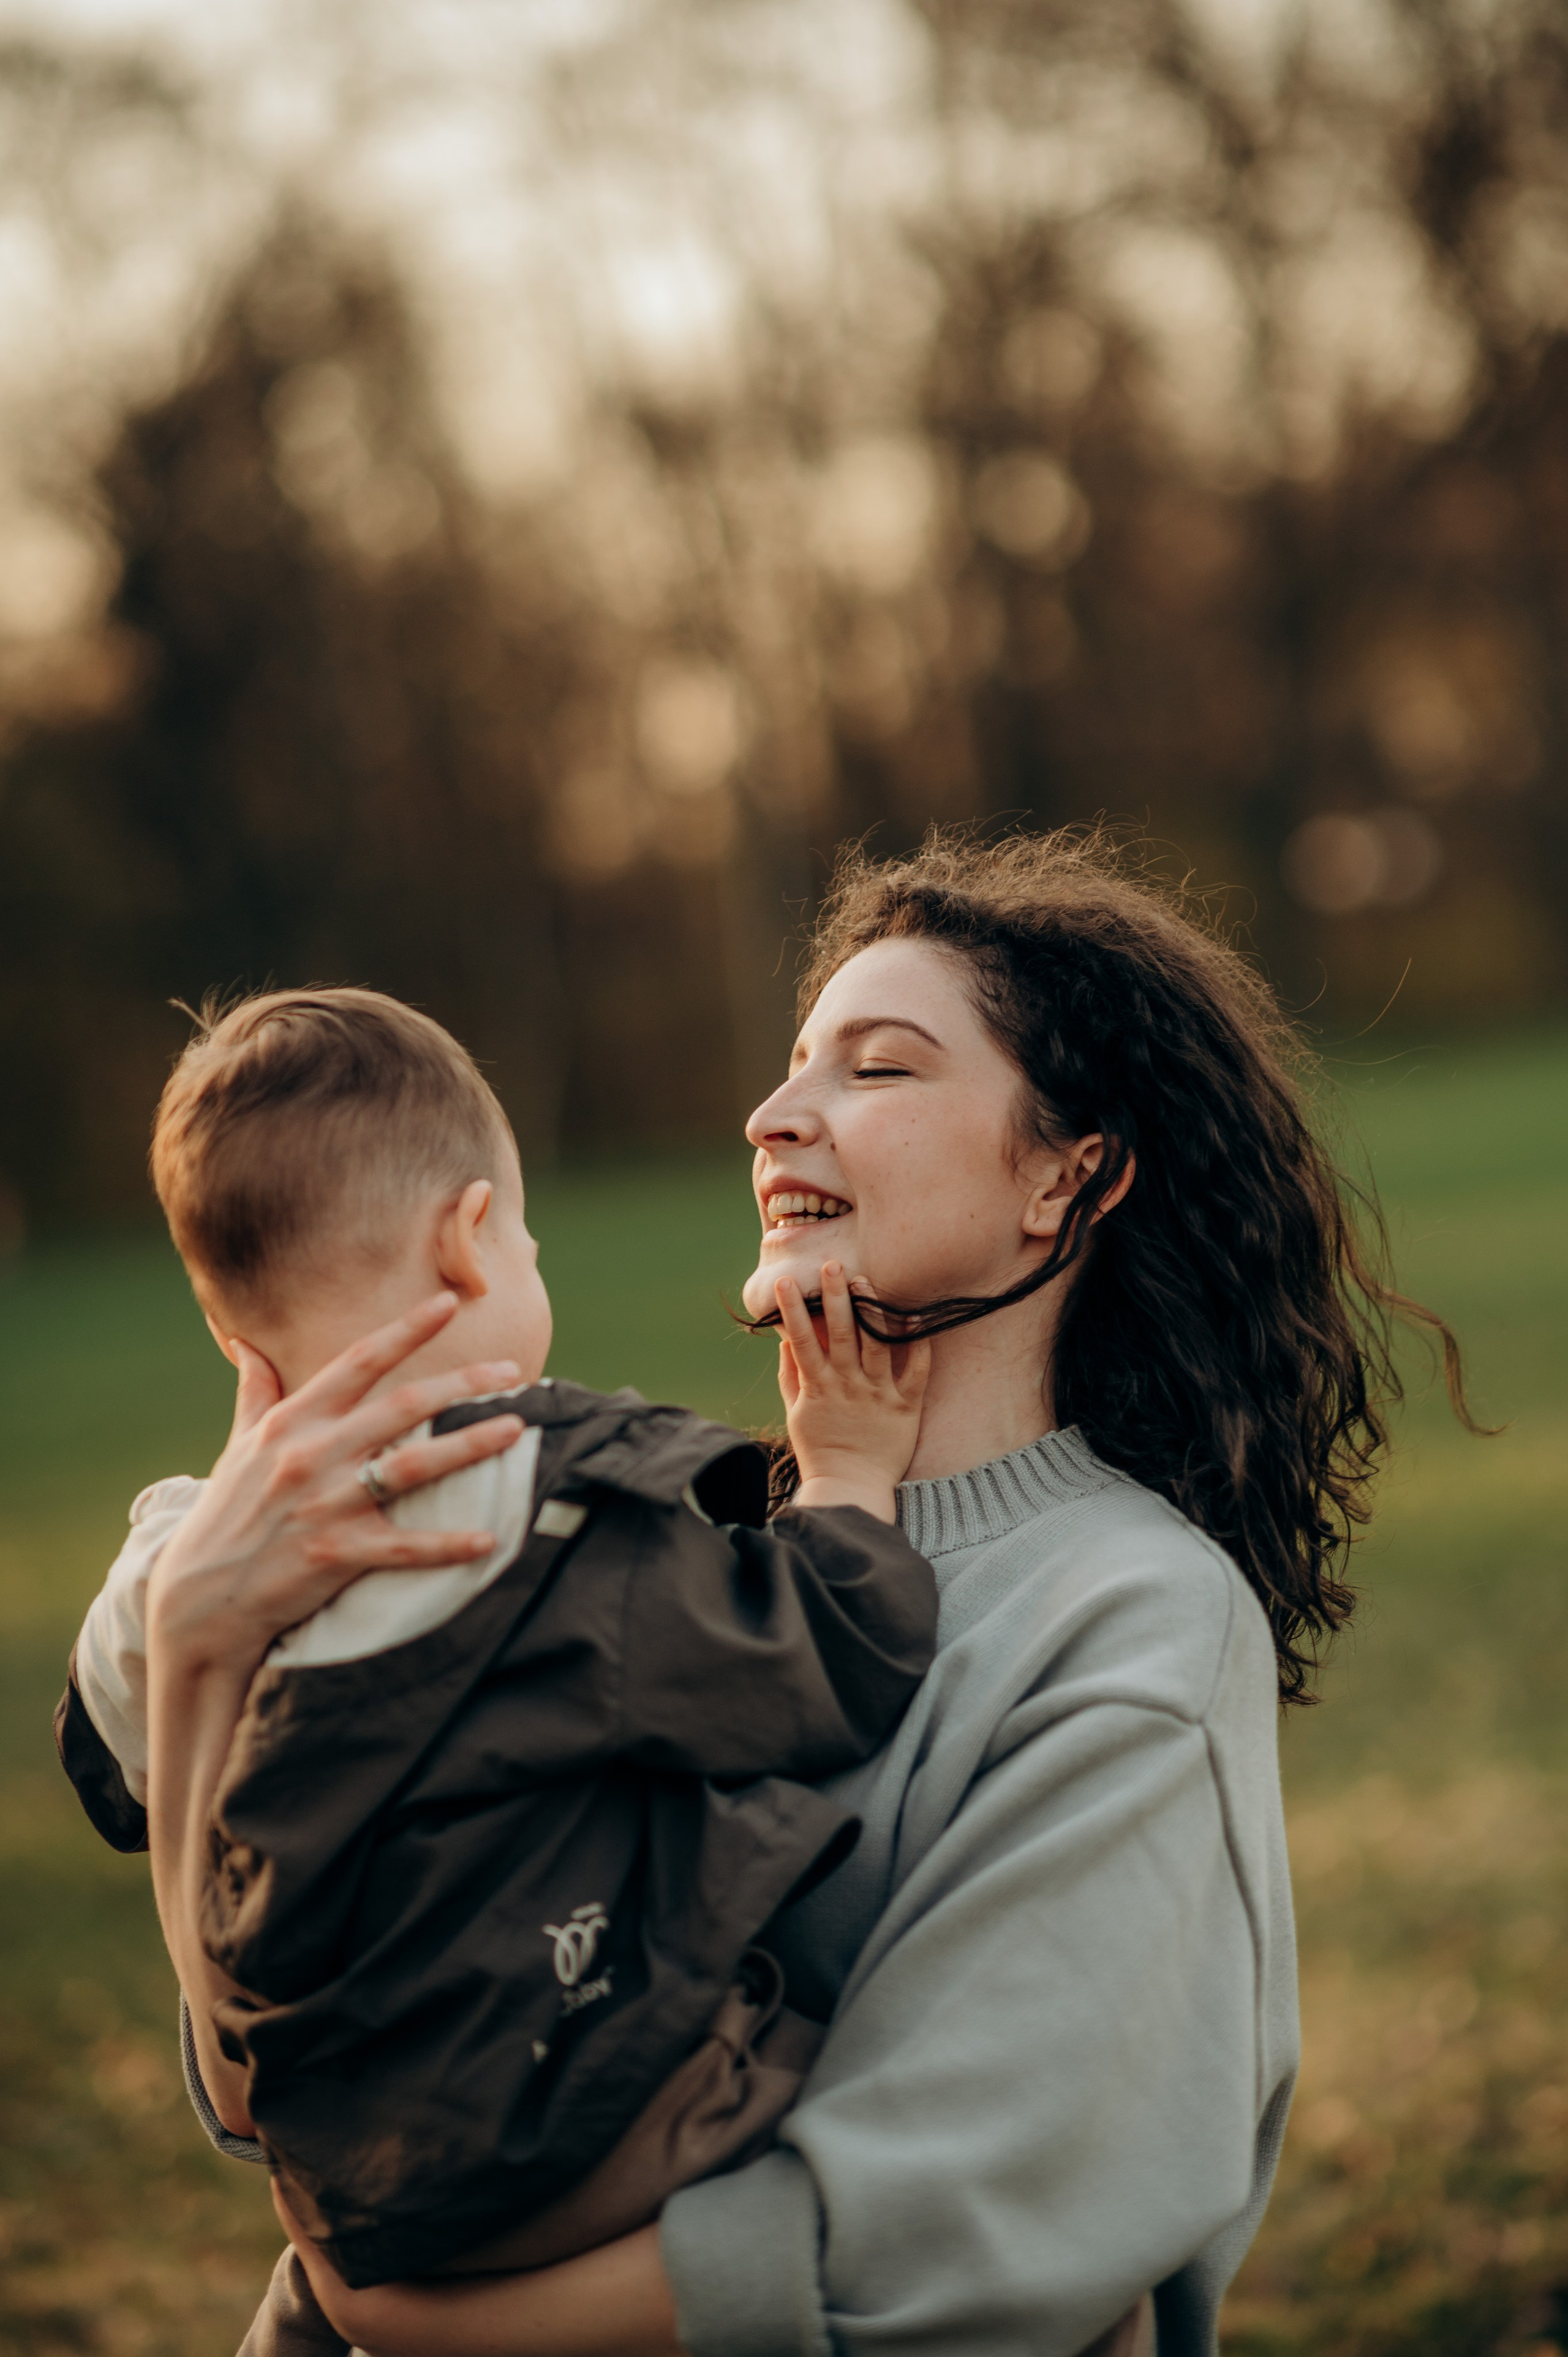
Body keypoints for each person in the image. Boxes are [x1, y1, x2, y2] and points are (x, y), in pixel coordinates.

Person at [129, 832, 1471, 2357]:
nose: (770, 1118)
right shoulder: (672, 1559)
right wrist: (197, 1652)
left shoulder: (1127, 1615)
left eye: (875, 1068)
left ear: (1065, 1174)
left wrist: (423, 2321)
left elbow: (957, 2226)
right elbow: (269, 2079)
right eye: (788, 1067)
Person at [56, 988, 937, 2355]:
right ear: (468, 1243)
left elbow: (115, 1772)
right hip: (611, 2138)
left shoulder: (163, 1572)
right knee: (906, 2113)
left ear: (236, 1338)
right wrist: (848, 1473)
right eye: (524, 1237)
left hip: (371, 2195)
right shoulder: (552, 1518)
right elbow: (835, 1655)